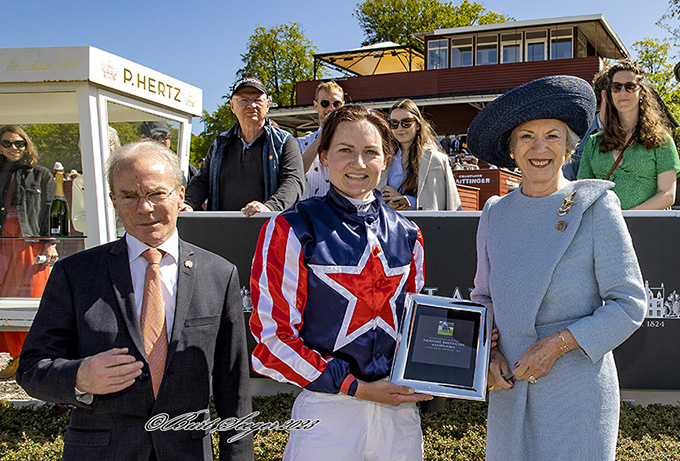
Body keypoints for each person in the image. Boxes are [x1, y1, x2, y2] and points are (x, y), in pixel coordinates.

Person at [16, 141, 253, 461]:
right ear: (114, 201)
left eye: (156, 193)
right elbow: (31, 368)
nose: (144, 208)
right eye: (129, 196)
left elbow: (233, 387)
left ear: (180, 195)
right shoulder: (75, 274)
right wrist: (79, 377)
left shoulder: (218, 275)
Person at [467, 76, 646, 460]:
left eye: (552, 135)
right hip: (510, 389)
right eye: (526, 136)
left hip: (576, 391)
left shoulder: (595, 205)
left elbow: (629, 303)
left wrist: (560, 343)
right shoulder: (494, 214)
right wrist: (488, 355)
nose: (540, 147)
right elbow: (482, 298)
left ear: (568, 147)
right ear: (511, 149)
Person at [250, 104, 433, 460]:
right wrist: (356, 388)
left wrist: (468, 345)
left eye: (371, 152)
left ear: (386, 158)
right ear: (323, 157)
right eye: (345, 151)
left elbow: (416, 327)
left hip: (398, 413)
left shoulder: (409, 234)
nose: (358, 163)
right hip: (327, 412)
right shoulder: (290, 228)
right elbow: (270, 343)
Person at [184, 77, 304, 216]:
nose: (251, 105)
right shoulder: (219, 144)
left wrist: (270, 207)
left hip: (269, 230)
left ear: (267, 105)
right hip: (222, 230)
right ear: (232, 106)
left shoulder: (284, 142)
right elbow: (202, 181)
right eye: (244, 100)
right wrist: (188, 204)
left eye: (257, 100)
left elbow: (294, 182)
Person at [577, 59, 680, 209]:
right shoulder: (593, 142)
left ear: (642, 92)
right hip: (602, 228)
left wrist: (626, 217)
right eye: (616, 87)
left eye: (630, 86)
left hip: (645, 228)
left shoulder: (661, 141)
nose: (623, 92)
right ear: (610, 94)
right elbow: (583, 191)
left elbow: (668, 195)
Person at [0, 125, 56, 379]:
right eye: (7, 143)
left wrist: (50, 242)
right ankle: (14, 356)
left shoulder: (42, 174)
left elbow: (49, 209)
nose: (13, 148)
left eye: (18, 143)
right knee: (4, 294)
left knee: (31, 294)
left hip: (29, 241)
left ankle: (31, 355)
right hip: (3, 242)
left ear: (27, 144)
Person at [379, 99, 462, 211]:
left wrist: (406, 201)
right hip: (390, 225)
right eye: (394, 123)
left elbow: (446, 203)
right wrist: (387, 203)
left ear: (418, 125)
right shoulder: (385, 159)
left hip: (422, 226)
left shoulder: (435, 160)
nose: (400, 128)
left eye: (406, 122)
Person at [296, 81, 345, 199]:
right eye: (325, 103)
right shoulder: (301, 143)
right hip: (311, 213)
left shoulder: (354, 141)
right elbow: (296, 173)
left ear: (342, 105)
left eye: (336, 104)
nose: (331, 108)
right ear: (316, 105)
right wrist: (323, 135)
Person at [562, 67, 609, 180]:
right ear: (604, 95)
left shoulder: (640, 134)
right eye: (617, 88)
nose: (624, 94)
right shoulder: (578, 133)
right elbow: (566, 176)